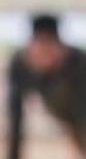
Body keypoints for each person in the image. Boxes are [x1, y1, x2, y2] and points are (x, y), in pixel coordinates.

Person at [8, 14, 86, 159]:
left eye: (49, 50)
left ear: (61, 48)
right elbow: (15, 118)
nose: (44, 58)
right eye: (39, 51)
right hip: (63, 110)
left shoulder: (79, 64)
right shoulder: (20, 64)